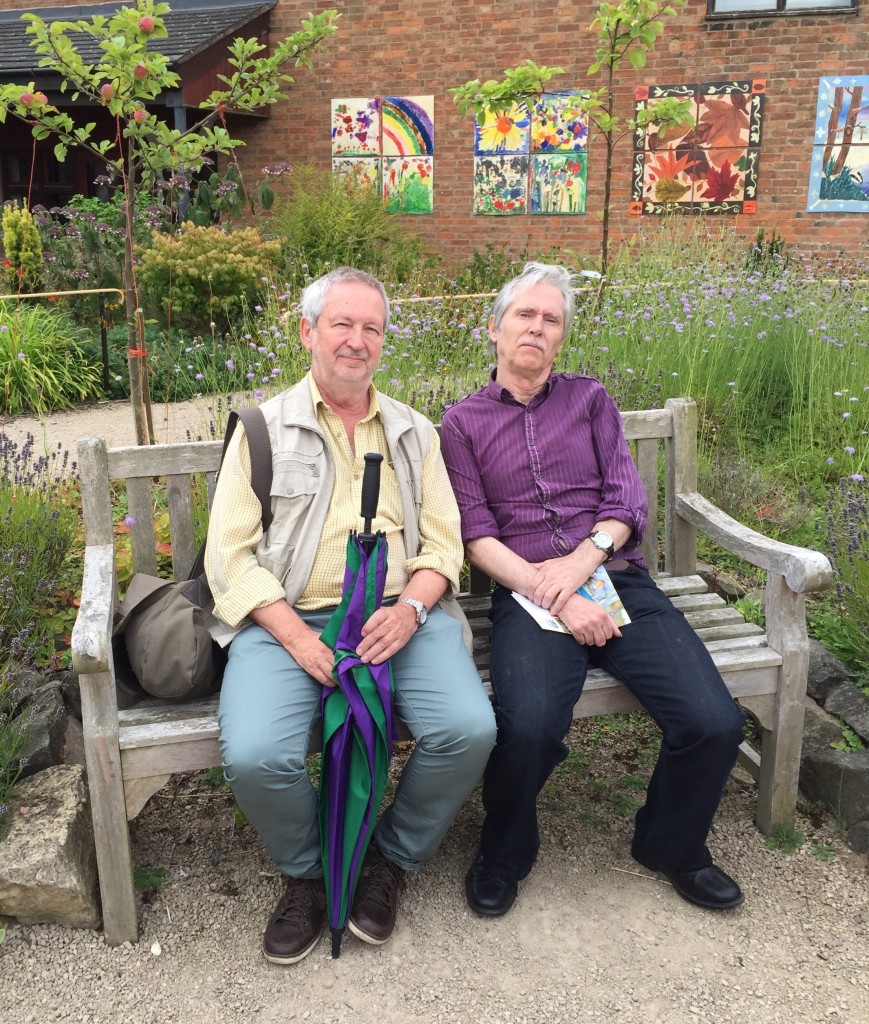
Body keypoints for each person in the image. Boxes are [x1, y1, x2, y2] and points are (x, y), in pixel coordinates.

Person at [205, 267, 496, 964]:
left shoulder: (413, 433)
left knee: (467, 729)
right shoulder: (261, 430)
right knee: (253, 756)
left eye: (370, 328)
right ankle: (309, 872)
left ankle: (388, 860)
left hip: (396, 614)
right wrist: (295, 634)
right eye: (341, 324)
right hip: (288, 619)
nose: (356, 341)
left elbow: (443, 542)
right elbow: (228, 559)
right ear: (307, 332)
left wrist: (415, 609)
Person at [440, 262, 746, 919]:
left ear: (560, 338)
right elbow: (475, 534)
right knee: (527, 728)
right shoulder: (460, 423)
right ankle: (502, 852)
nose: (537, 328)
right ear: (493, 328)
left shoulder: (589, 400)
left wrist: (581, 567)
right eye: (524, 315)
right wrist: (554, 593)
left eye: (550, 320)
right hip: (525, 594)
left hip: (617, 580)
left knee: (713, 721)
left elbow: (624, 501)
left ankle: (670, 844)